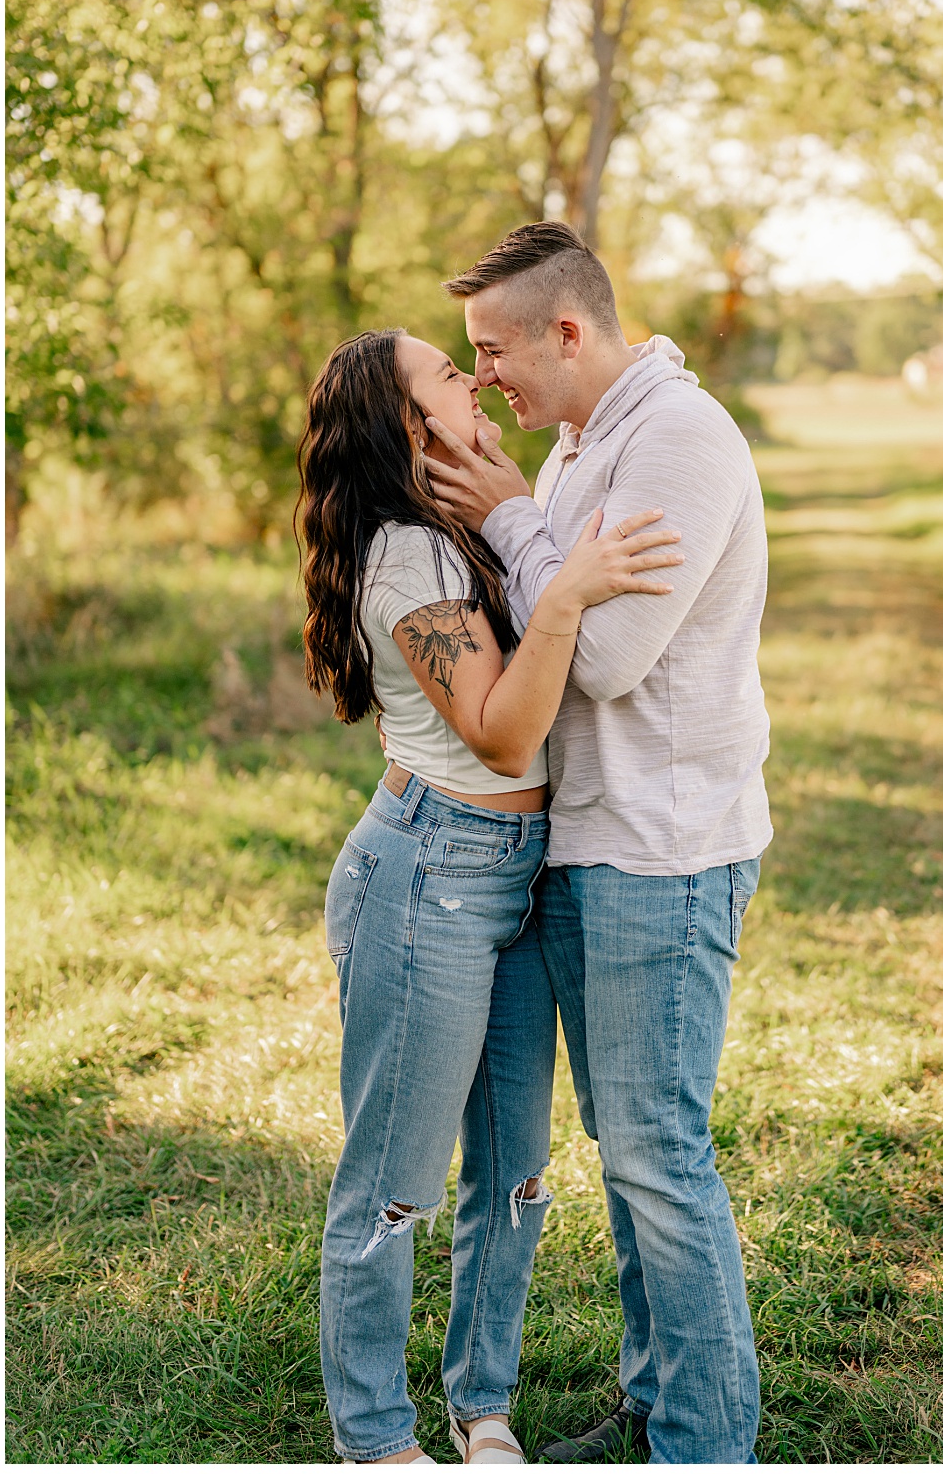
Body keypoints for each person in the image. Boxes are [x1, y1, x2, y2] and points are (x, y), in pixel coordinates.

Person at [296, 327, 683, 1467]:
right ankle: (376, 1438)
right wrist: (567, 591)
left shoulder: (455, 526)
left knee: (514, 1171)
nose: (473, 382)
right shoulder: (405, 556)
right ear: (407, 426)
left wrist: (526, 521)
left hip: (519, 878)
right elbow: (507, 727)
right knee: (392, 1184)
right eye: (447, 375)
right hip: (428, 881)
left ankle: (483, 1408)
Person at [424, 222, 772, 1465]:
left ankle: (704, 1439)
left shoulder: (679, 439)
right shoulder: (582, 446)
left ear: (568, 331)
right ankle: (657, 1396)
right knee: (627, 1154)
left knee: (658, 1154)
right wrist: (540, 528)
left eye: (494, 349)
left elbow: (607, 657)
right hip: (591, 844)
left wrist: (519, 521)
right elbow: (546, 628)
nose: (487, 379)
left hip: (661, 855)